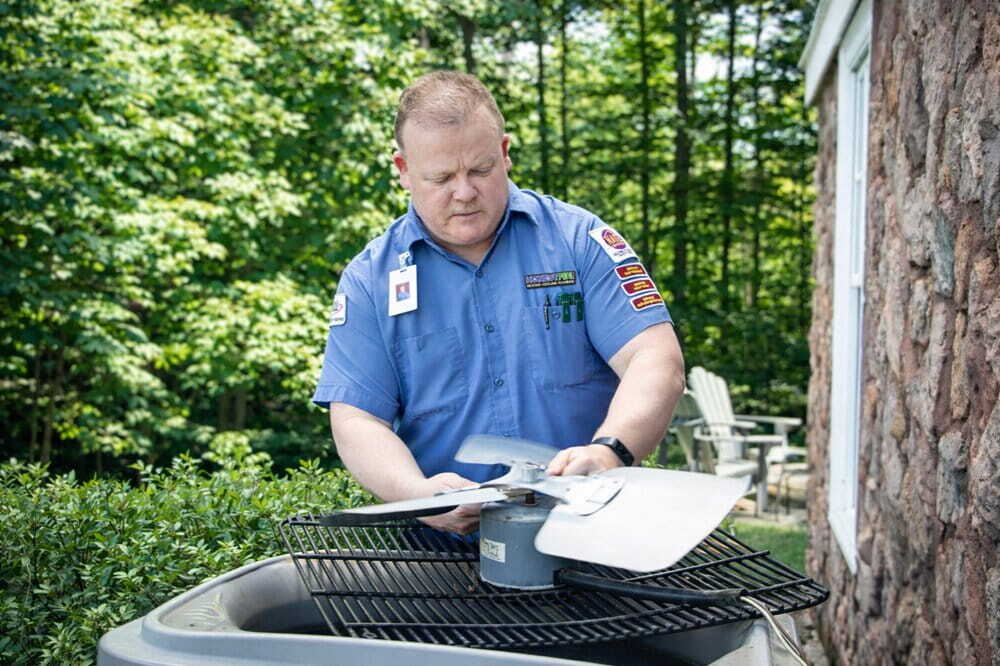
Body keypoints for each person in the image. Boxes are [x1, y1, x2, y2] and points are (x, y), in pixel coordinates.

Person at [314, 71, 685, 535]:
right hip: (439, 558)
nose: (464, 192)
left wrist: (609, 451)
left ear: (506, 154)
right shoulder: (369, 280)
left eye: (481, 170)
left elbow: (655, 359)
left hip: (593, 536)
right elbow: (356, 419)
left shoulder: (580, 241)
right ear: (404, 171)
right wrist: (416, 493)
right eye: (441, 177)